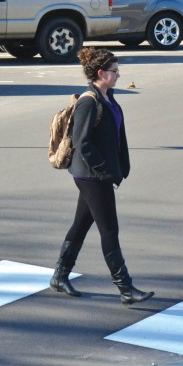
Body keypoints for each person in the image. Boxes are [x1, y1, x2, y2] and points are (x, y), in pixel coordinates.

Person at [50, 47, 154, 305]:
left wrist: (121, 165)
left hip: (97, 174)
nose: (119, 75)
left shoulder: (107, 96)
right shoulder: (89, 101)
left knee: (81, 224)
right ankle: (125, 288)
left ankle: (59, 276)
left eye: (118, 71)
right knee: (109, 230)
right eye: (114, 71)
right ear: (100, 73)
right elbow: (82, 142)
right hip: (91, 175)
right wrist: (105, 170)